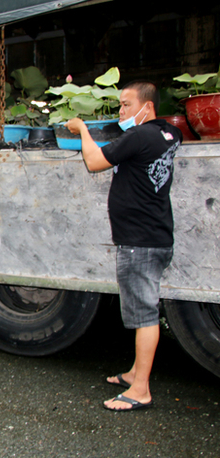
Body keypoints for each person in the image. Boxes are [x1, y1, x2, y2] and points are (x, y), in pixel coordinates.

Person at [65, 81, 181, 411]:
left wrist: (82, 129)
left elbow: (95, 161)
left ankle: (140, 389)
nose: (121, 112)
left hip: (139, 241)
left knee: (144, 315)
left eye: (126, 105)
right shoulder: (171, 134)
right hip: (156, 234)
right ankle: (134, 373)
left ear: (147, 106)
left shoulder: (140, 136)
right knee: (142, 309)